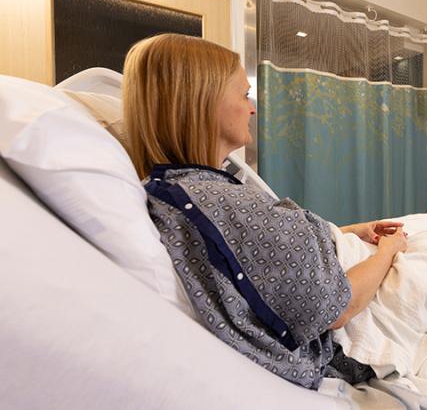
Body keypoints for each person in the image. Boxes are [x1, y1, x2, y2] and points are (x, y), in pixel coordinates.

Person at [121, 33, 407, 389]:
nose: (252, 107)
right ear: (204, 102)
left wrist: (349, 232)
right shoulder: (220, 201)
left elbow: (262, 256)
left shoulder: (186, 193)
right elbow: (338, 307)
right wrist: (389, 251)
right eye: (243, 95)